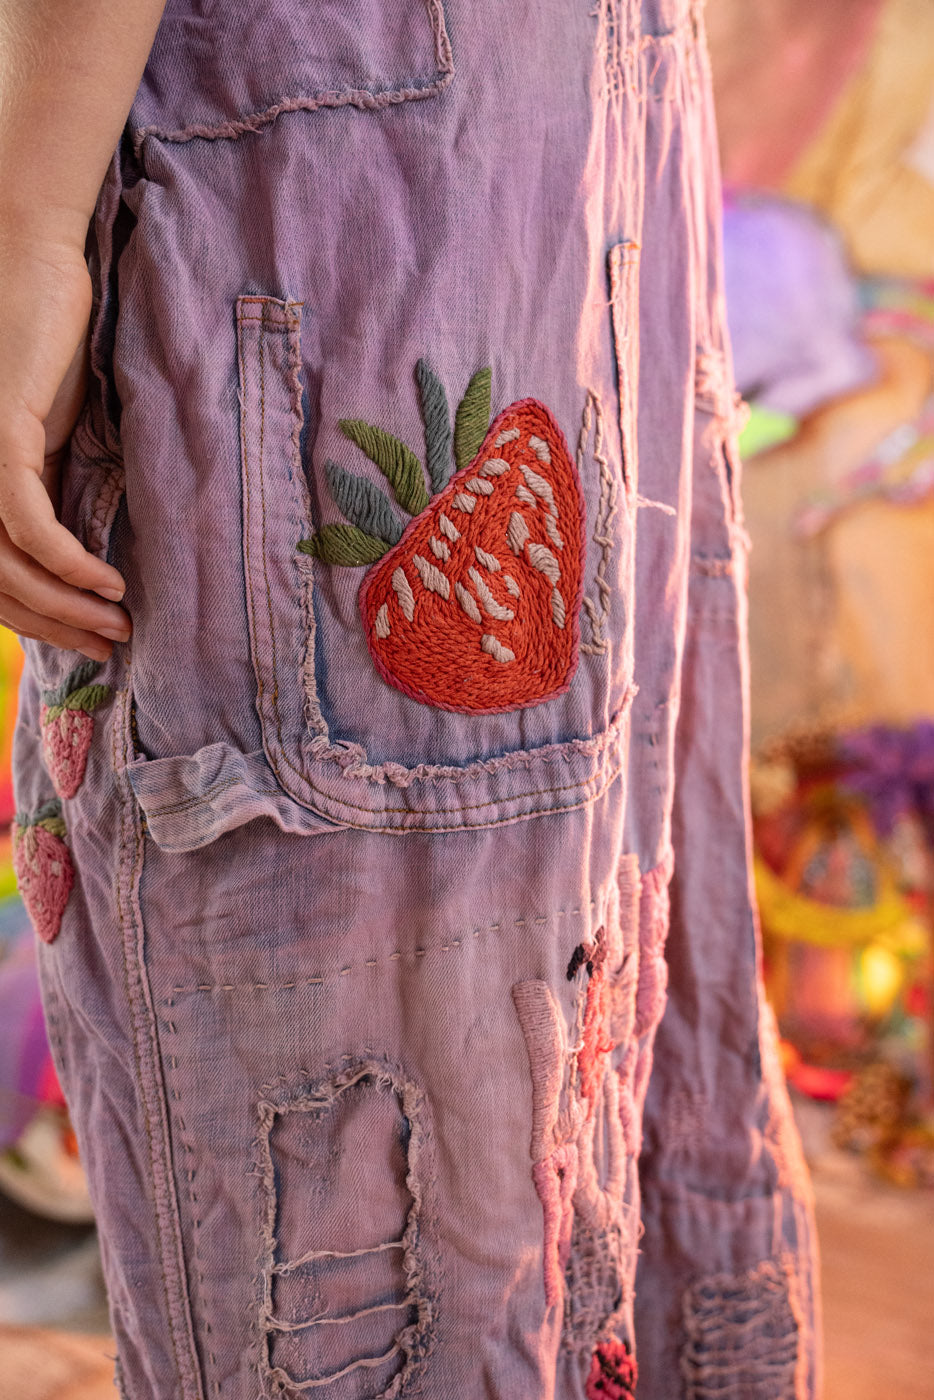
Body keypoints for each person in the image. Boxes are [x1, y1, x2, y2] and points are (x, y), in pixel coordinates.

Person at [3, 1, 820, 1396]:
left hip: (344, 153)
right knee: (552, 1017)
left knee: (405, 1055)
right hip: (551, 121)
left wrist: (22, 227)